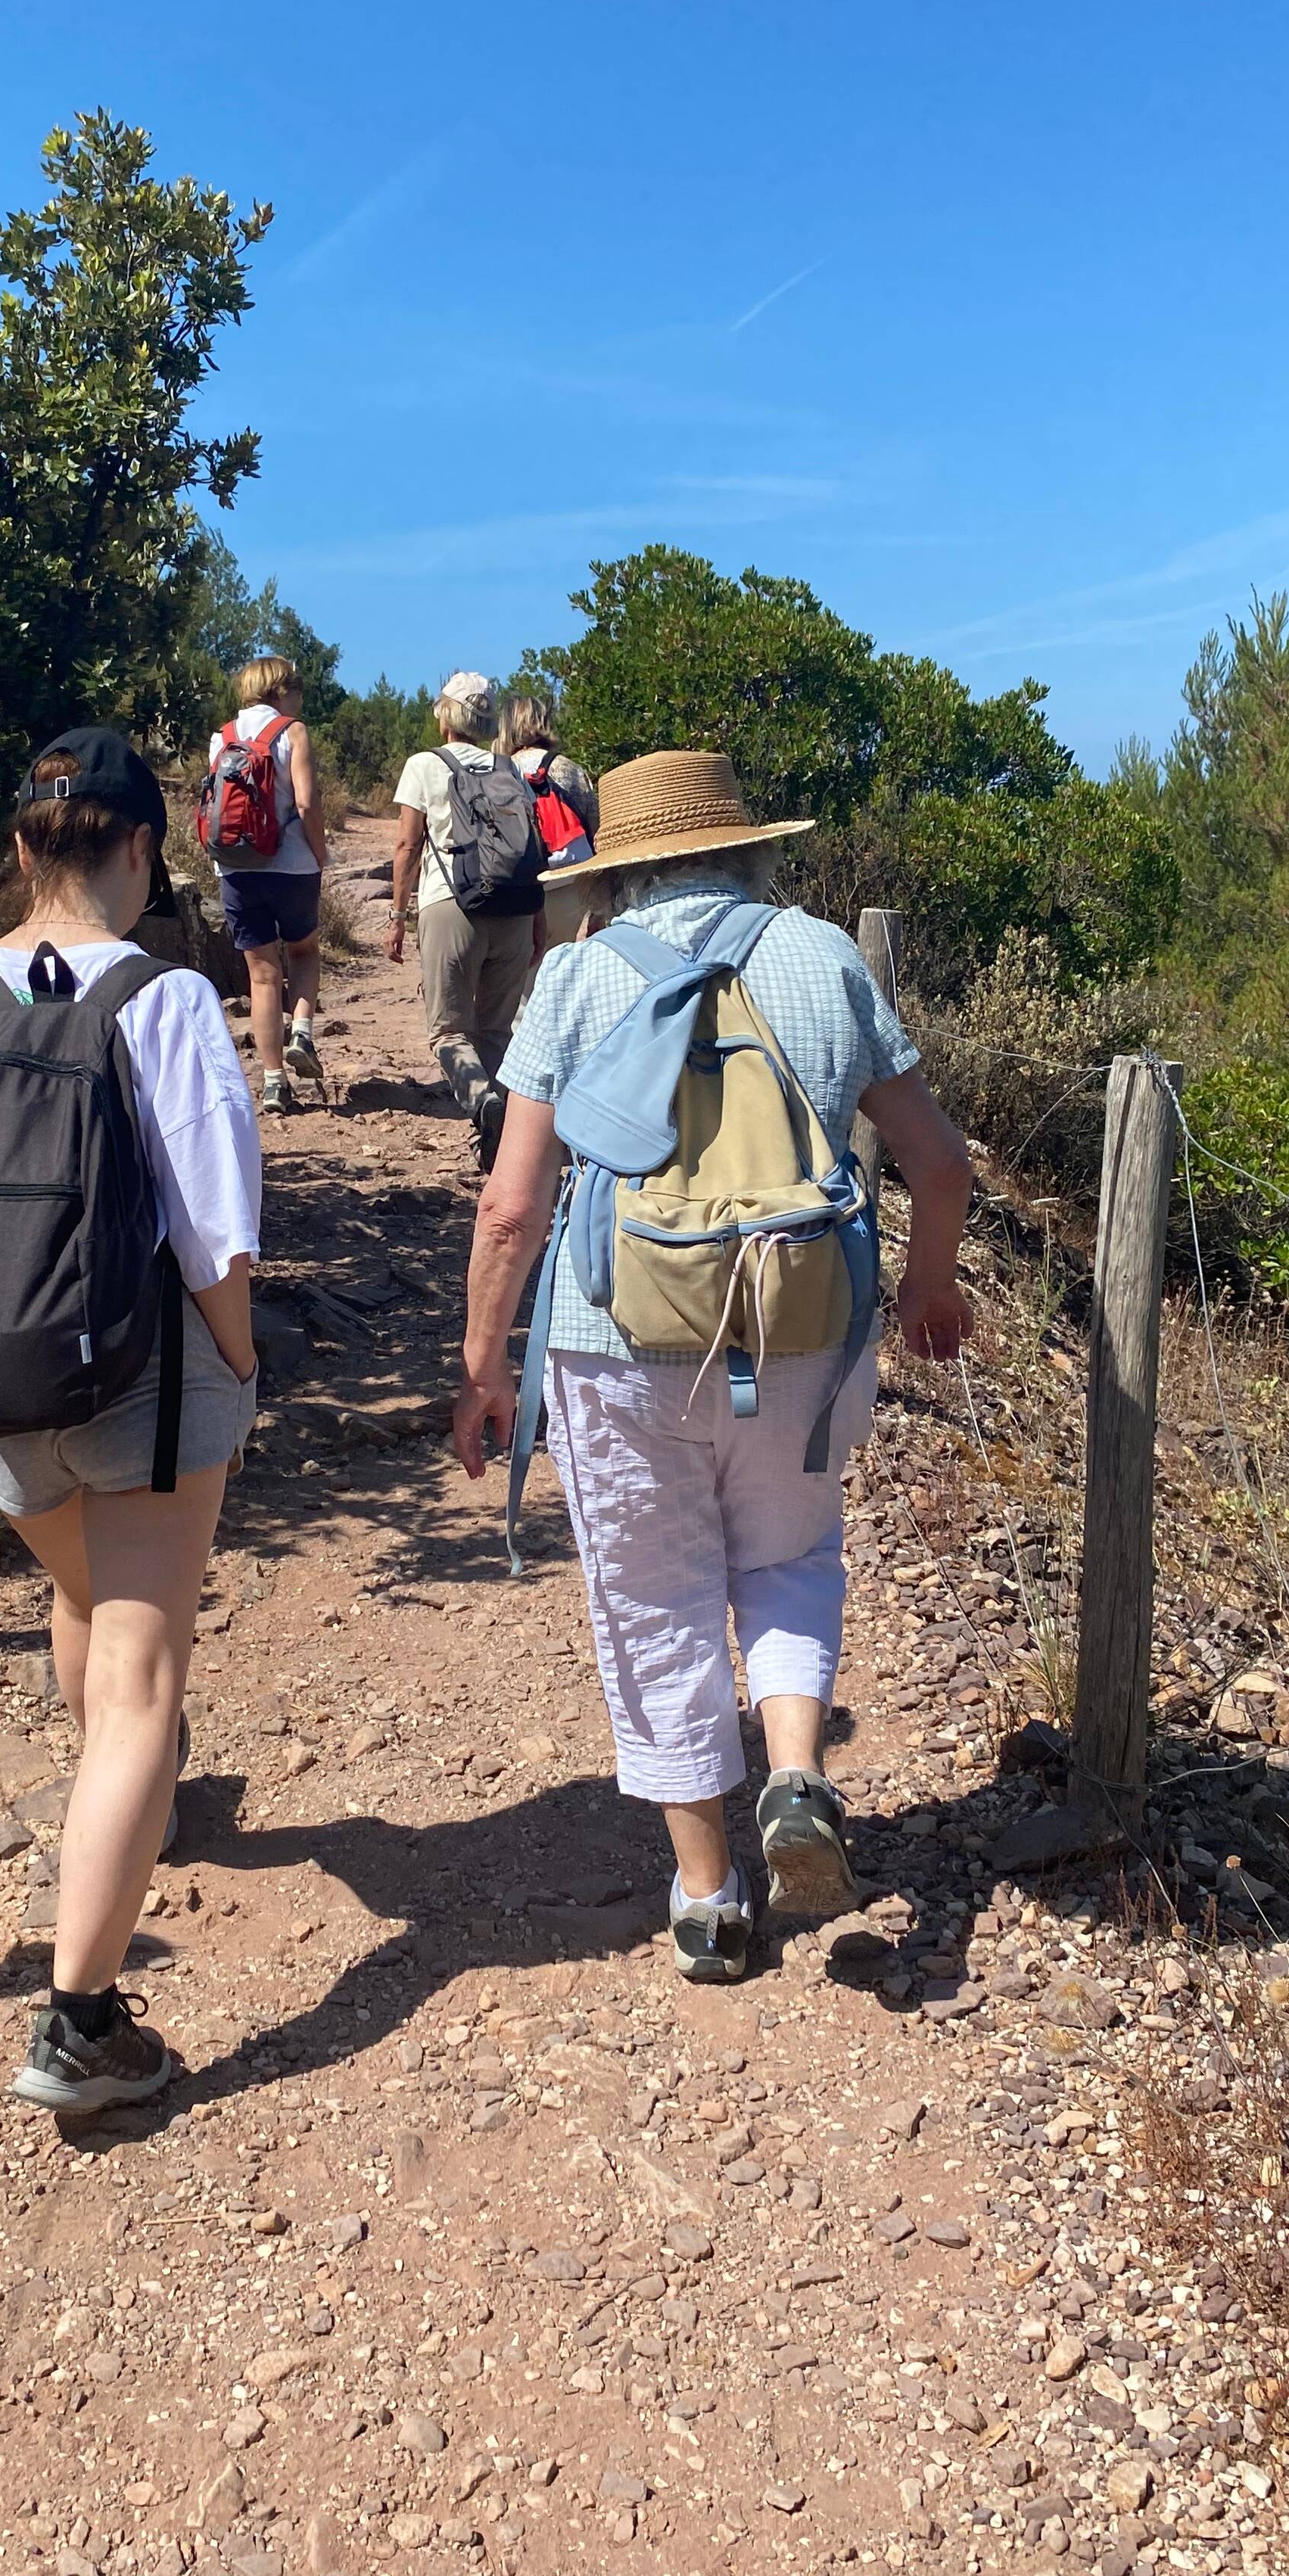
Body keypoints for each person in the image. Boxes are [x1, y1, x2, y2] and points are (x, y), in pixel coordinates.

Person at [450, 751, 977, 1986]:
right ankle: (792, 1772)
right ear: (747, 848)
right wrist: (926, 1286)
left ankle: (707, 1899)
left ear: (618, 868)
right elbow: (938, 1162)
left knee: (654, 1602)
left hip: (614, 1341)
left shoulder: (574, 973)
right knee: (789, 1557)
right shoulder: (820, 956)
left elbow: (509, 1208)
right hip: (802, 1323)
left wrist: (482, 1362)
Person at [0, 729, 262, 2114]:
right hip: (139, 1381)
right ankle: (79, 2022)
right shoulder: (168, 998)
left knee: (79, 1598)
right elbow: (214, 1232)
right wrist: (236, 1366)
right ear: (142, 846)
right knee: (144, 1679)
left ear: (22, 847)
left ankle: (118, 1814)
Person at [388, 670, 536, 1166]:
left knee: (450, 1031)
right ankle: (497, 1143)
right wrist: (534, 922)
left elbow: (408, 844)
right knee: (496, 1031)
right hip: (515, 908)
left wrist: (396, 914)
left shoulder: (424, 766)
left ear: (446, 714)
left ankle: (481, 1104)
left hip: (451, 905)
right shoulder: (509, 770)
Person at [204, 653, 327, 1116]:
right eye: (295, 689)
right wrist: (320, 853)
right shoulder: (292, 731)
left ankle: (274, 1083)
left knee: (261, 975)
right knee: (304, 951)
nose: (299, 697)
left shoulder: (223, 736)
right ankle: (302, 1031)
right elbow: (308, 802)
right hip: (291, 864)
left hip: (235, 866)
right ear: (280, 690)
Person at [497, 691, 599, 952]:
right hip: (574, 885)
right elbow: (596, 827)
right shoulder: (569, 768)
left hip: (523, 887)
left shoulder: (500, 771)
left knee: (525, 978)